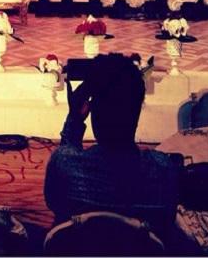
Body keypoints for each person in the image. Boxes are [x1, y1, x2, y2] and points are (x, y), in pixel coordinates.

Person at [44, 54, 182, 239]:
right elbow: (167, 220)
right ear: (137, 109)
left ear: (94, 112)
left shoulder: (63, 163)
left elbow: (55, 203)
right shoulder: (164, 169)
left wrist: (74, 118)